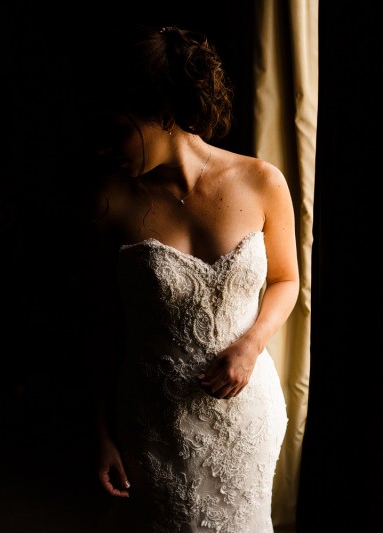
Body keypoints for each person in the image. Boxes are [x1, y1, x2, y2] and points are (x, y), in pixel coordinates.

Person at [79, 23, 299, 532]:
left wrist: (251, 345)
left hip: (246, 421)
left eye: (116, 130)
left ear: (163, 113)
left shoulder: (262, 181)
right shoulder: (109, 201)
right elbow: (96, 325)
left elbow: (287, 280)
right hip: (155, 424)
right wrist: (101, 434)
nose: (102, 149)